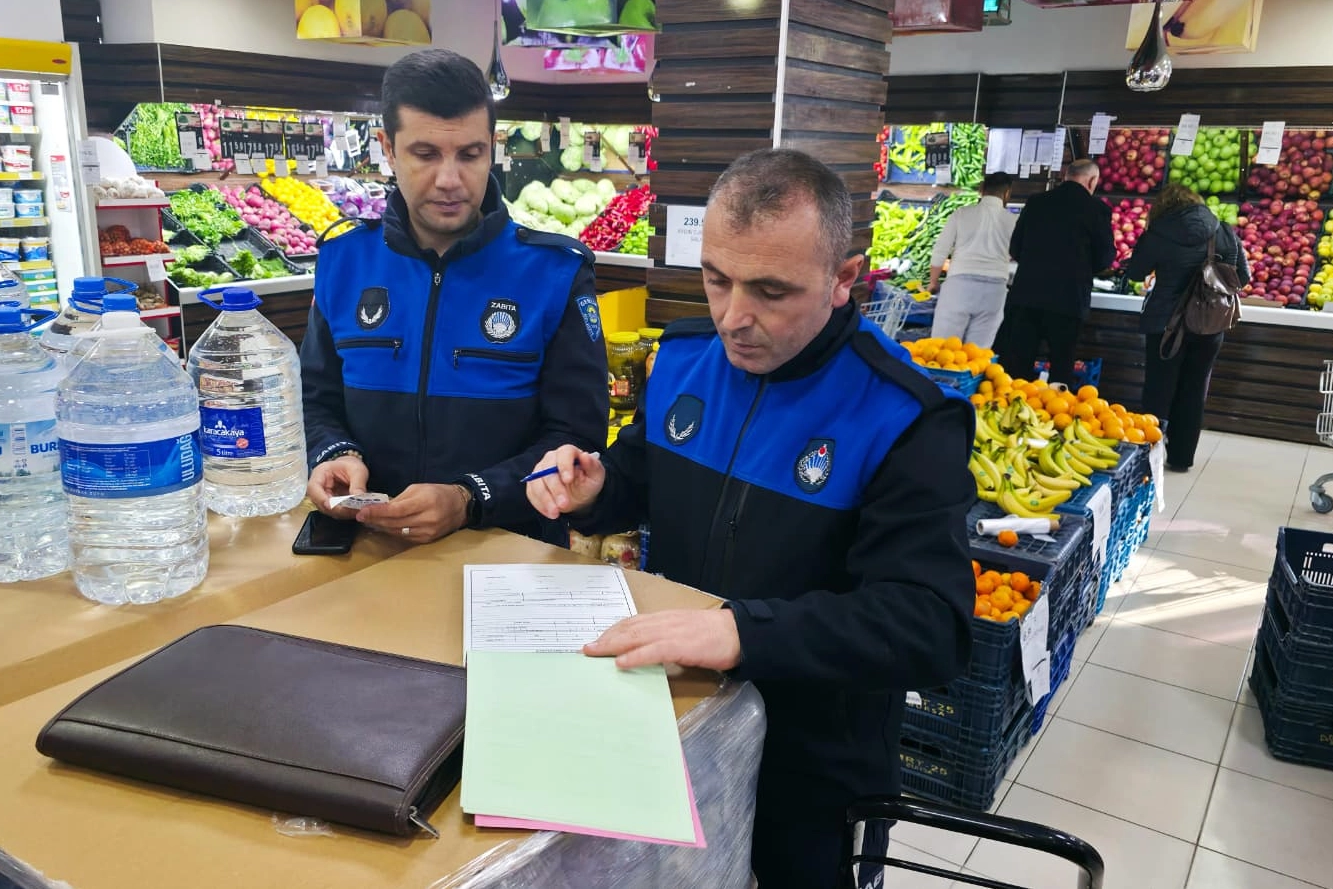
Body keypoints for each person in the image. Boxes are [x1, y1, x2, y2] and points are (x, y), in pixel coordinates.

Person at [525, 150, 976, 889]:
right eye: (716, 279)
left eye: (771, 291)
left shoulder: (906, 417)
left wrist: (742, 632)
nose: (734, 317)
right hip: (677, 725)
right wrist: (594, 489)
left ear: (843, 278)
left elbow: (930, 624)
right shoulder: (681, 359)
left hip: (811, 771)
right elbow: (641, 477)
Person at [300, 50, 608, 545]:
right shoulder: (343, 262)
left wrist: (470, 498)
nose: (449, 180)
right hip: (365, 549)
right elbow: (315, 398)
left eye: (469, 155)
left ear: (491, 148)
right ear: (388, 149)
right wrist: (334, 453)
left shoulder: (555, 273)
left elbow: (576, 441)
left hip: (506, 554)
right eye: (425, 155)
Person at [1124, 183, 1249, 472]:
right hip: (1210, 323)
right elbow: (1242, 276)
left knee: (1158, 389)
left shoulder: (1158, 233)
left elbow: (1135, 272)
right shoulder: (1223, 230)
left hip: (1166, 324)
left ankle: (1148, 457)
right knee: (1194, 389)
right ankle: (1181, 458)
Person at [999, 158, 1115, 385]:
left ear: (1065, 176)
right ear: (1092, 181)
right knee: (1061, 365)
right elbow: (1104, 258)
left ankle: (1012, 405)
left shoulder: (1036, 202)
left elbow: (1015, 248)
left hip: (1027, 295)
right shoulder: (1097, 209)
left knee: (1017, 365)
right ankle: (1054, 406)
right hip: (1068, 299)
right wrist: (1081, 269)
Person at [927, 172, 1016, 348]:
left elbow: (940, 251)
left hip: (959, 287)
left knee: (943, 349)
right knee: (976, 353)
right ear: (1007, 193)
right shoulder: (1013, 221)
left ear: (981, 189)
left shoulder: (961, 214)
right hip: (995, 290)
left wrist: (933, 282)